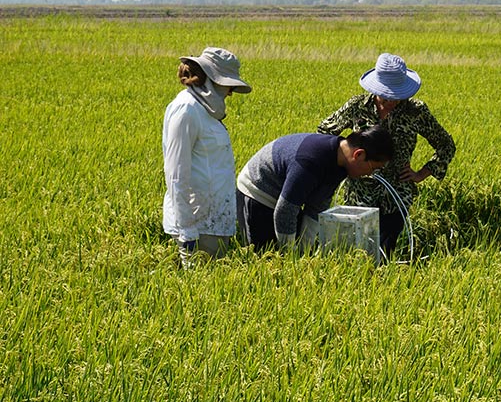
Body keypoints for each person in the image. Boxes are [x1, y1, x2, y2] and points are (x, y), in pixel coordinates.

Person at [317, 53, 456, 258]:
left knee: (383, 253)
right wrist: (344, 165)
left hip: (396, 194)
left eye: (397, 96)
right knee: (354, 252)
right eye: (386, 95)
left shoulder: (415, 111)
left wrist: (421, 174)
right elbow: (324, 134)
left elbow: (446, 145)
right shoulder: (357, 106)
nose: (392, 101)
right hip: (359, 195)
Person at [236, 125, 394, 250]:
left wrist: (304, 249)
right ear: (358, 155)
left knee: (296, 245)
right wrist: (291, 255)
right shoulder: (310, 161)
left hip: (285, 198)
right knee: (265, 255)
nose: (370, 174)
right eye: (373, 168)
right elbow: (285, 211)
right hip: (258, 191)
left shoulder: (341, 164)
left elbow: (316, 207)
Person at [162, 47, 252, 267]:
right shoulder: (186, 110)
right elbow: (176, 174)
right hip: (196, 225)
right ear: (211, 79)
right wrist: (187, 232)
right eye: (228, 84)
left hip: (214, 222)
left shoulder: (207, 111)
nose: (230, 92)